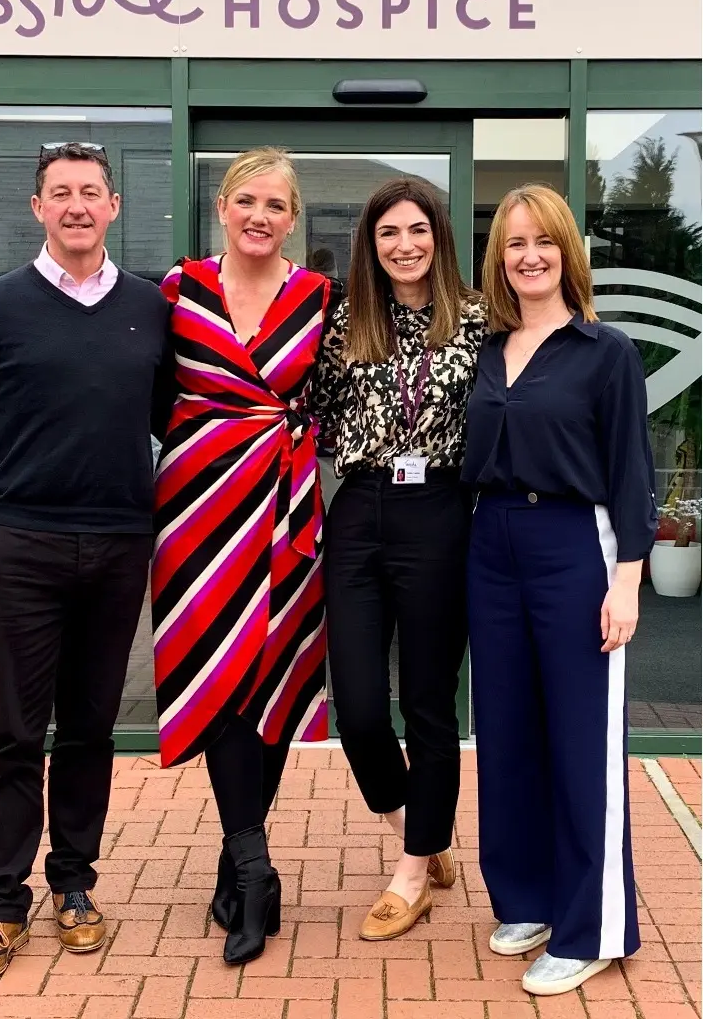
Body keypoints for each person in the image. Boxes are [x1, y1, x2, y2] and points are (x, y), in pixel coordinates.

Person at [0, 142, 171, 983]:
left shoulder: (150, 308)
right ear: (37, 208)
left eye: (91, 192)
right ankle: (0, 904)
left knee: (92, 732)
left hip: (116, 546)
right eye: (60, 192)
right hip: (21, 547)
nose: (76, 205)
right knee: (15, 736)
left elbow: (179, 423)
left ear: (113, 207)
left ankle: (73, 886)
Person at [462, 184, 657, 997]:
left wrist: (628, 585)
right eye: (514, 244)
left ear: (566, 252)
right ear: (498, 259)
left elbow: (630, 474)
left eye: (543, 241)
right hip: (491, 543)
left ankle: (594, 926)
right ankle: (532, 898)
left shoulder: (603, 352)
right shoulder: (484, 348)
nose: (529, 256)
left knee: (581, 743)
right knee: (507, 735)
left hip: (575, 546)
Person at [152, 147, 336, 966]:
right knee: (218, 677)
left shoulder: (320, 298)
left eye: (276, 205)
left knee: (270, 685)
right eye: (246, 201)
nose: (260, 215)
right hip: (196, 514)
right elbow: (154, 396)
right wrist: (214, 448)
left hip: (288, 514)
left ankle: (241, 864)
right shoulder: (178, 289)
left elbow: (334, 403)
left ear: (293, 219)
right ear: (222, 208)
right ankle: (257, 868)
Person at [312, 176, 485, 941]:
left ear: (438, 236)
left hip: (440, 517)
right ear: (370, 245)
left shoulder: (480, 320)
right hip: (358, 509)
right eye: (388, 234)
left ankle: (414, 869)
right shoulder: (345, 320)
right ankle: (423, 824)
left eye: (417, 230)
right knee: (355, 706)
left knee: (426, 702)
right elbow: (302, 412)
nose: (404, 245)